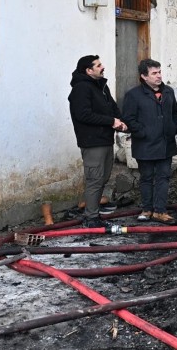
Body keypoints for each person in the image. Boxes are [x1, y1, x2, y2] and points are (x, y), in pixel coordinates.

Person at [68, 55, 127, 228]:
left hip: (105, 139)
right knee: (95, 178)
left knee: (103, 177)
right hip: (92, 142)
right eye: (98, 65)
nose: (103, 67)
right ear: (88, 70)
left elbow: (112, 107)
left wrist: (121, 122)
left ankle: (94, 213)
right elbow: (83, 114)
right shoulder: (81, 89)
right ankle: (91, 218)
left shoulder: (101, 86)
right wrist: (111, 121)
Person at [122, 59, 177, 225]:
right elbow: (128, 118)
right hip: (145, 144)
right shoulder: (133, 95)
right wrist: (143, 132)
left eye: (159, 72)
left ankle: (160, 211)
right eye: (154, 73)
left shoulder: (168, 91)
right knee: (147, 177)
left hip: (166, 143)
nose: (159, 76)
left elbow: (175, 113)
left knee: (164, 177)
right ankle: (147, 209)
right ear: (144, 76)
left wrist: (173, 127)